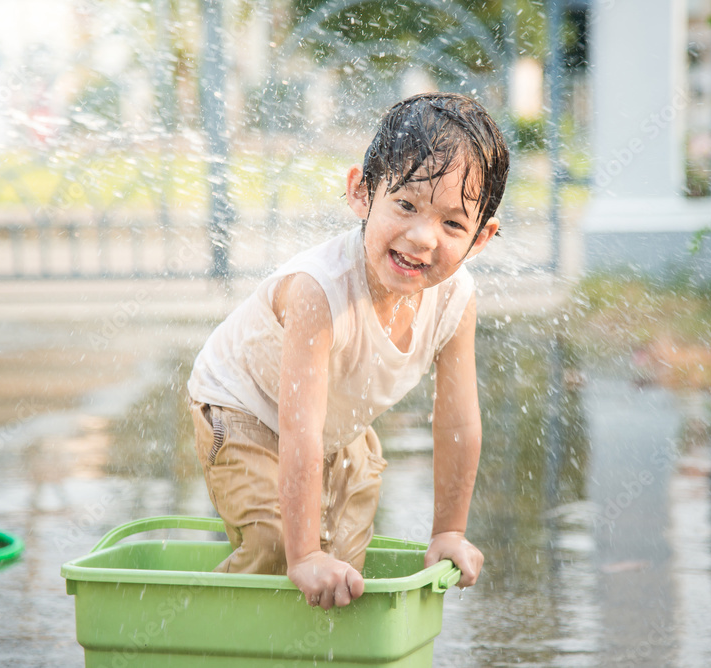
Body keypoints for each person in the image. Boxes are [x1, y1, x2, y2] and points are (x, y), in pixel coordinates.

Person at [186, 92, 509, 610]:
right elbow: (299, 429)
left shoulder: (457, 298)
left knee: (343, 573)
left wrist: (449, 530)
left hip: (338, 429)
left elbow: (458, 422)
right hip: (242, 409)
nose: (423, 237)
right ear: (361, 192)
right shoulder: (321, 290)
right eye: (405, 204)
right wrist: (303, 553)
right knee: (279, 546)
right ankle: (210, 639)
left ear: (480, 238)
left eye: (453, 224)